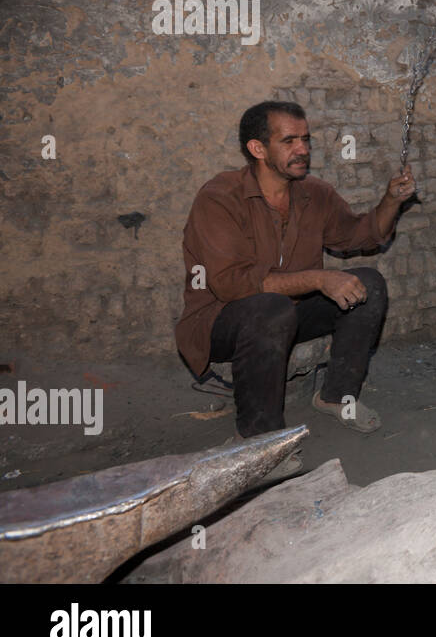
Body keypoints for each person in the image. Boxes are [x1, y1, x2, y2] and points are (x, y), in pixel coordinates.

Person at [175, 100, 416, 469]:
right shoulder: (219, 198)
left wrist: (391, 201)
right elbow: (231, 285)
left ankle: (337, 396)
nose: (302, 149)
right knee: (271, 307)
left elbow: (360, 235)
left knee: (369, 283)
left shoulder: (313, 194)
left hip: (288, 311)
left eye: (305, 139)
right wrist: (319, 278)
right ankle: (259, 441)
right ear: (258, 149)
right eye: (289, 141)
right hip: (222, 321)